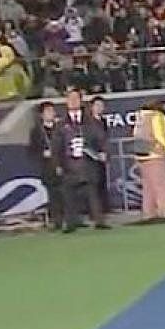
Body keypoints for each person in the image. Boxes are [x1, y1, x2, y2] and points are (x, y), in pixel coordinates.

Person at [54, 89, 109, 232]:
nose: (73, 101)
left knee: (93, 193)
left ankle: (99, 220)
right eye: (70, 99)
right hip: (69, 164)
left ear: (81, 101)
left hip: (88, 162)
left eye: (75, 98)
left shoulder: (90, 121)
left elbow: (101, 138)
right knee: (68, 195)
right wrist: (57, 164)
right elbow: (56, 146)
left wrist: (103, 152)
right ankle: (71, 222)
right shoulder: (61, 124)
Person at [133, 100, 165, 222]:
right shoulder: (158, 116)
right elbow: (160, 135)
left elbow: (135, 134)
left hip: (141, 154)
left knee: (148, 186)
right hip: (155, 153)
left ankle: (149, 212)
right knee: (161, 184)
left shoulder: (141, 116)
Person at [27, 102, 64, 229]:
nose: (51, 114)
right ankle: (57, 221)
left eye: (52, 111)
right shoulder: (36, 131)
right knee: (53, 195)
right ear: (42, 115)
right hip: (48, 167)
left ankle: (72, 219)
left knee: (67, 193)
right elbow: (32, 151)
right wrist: (43, 153)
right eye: (48, 111)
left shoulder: (61, 128)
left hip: (64, 165)